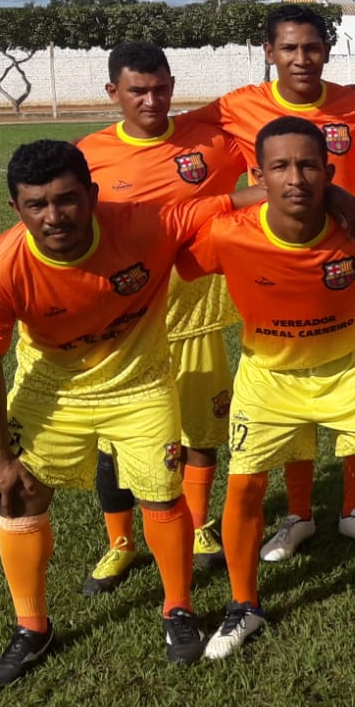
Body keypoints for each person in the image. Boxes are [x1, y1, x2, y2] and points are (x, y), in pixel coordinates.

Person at [0, 140, 355, 686]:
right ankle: (32, 628)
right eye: (37, 205)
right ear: (16, 208)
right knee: (21, 495)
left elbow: (235, 200)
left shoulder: (148, 223)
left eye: (67, 200)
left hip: (140, 384)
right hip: (53, 387)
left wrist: (330, 190)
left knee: (161, 493)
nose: (54, 216)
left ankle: (177, 608)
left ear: (93, 195)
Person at [176, 117, 355, 656]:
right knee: (246, 486)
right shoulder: (231, 233)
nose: (295, 177)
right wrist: (232, 199)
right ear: (260, 175)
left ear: (328, 170)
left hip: (350, 369)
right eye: (279, 167)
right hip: (268, 376)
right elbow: (179, 248)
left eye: (307, 165)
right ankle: (243, 605)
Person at [179, 3, 355, 562]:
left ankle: (352, 509)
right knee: (291, 391)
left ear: (328, 49)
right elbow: (166, 134)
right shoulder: (236, 107)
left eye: (313, 47)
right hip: (273, 269)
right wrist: (257, 195)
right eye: (289, 49)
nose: (302, 59)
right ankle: (298, 515)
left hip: (348, 273)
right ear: (268, 52)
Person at [76, 41, 247, 593]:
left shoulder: (213, 144)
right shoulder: (90, 154)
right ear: (113, 93)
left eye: (162, 88)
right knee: (116, 440)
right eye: (138, 91)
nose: (152, 100)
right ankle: (120, 544)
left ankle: (199, 526)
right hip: (124, 322)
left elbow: (278, 136)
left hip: (195, 312)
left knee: (201, 431)